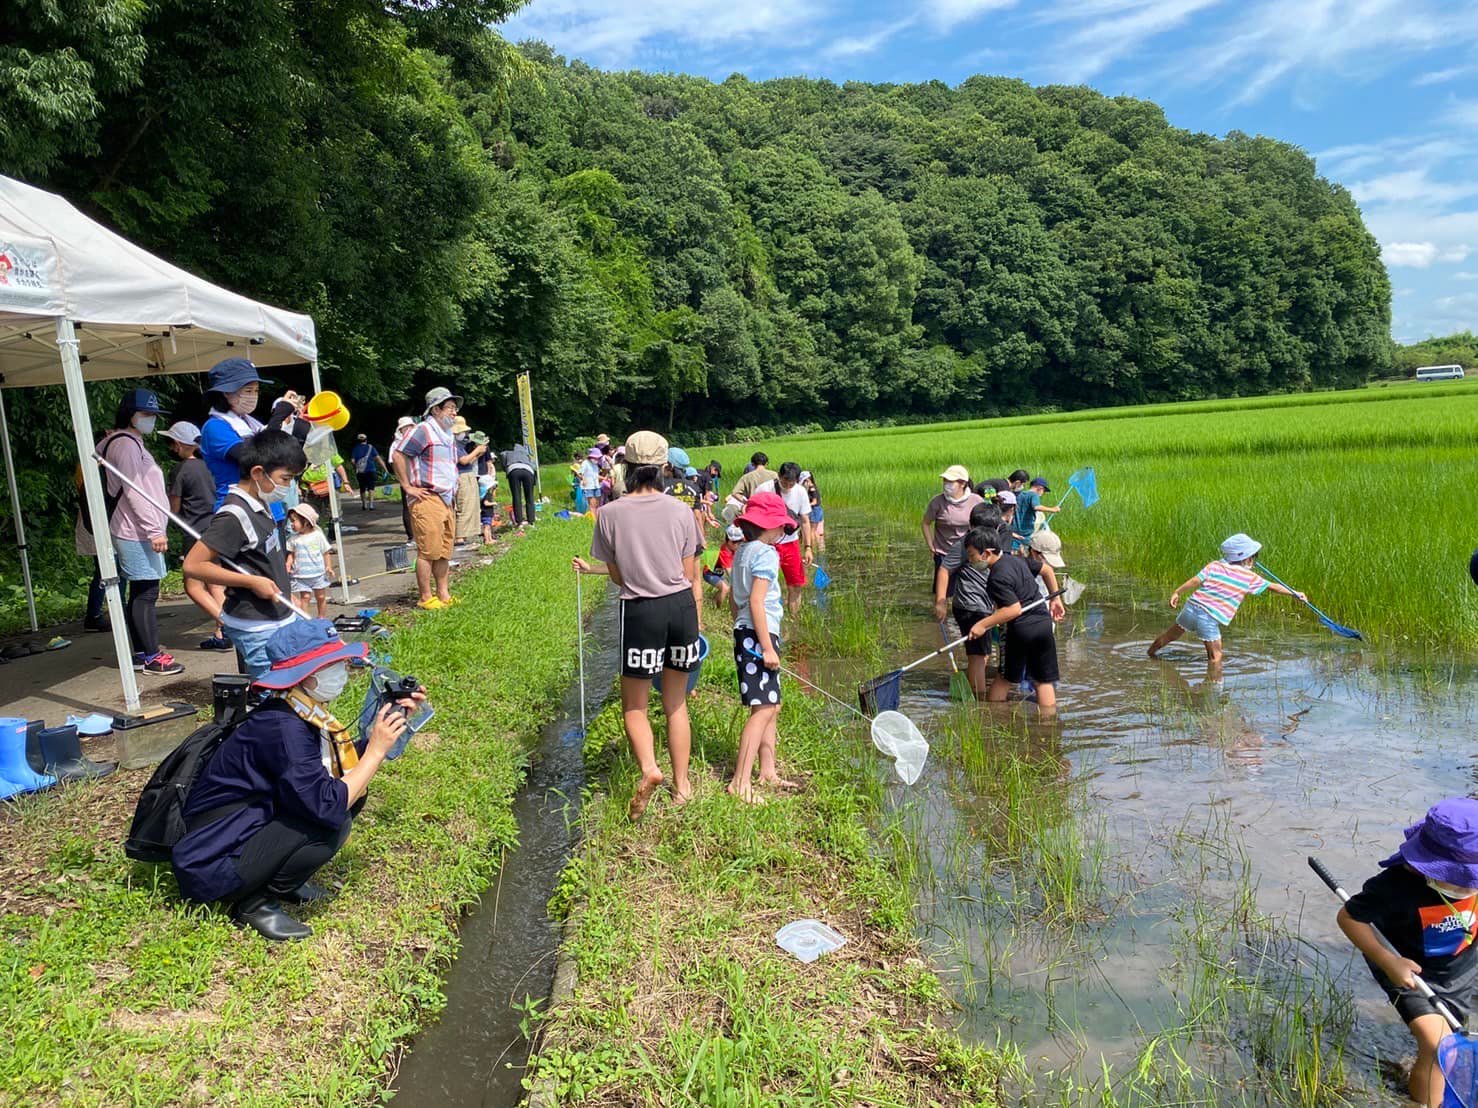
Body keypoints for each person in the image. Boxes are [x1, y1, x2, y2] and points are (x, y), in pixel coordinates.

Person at [171, 619, 423, 941]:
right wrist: (375, 751)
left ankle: (282, 881)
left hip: (236, 832)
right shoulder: (284, 728)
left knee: (348, 796)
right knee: (332, 821)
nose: (344, 670)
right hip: (210, 862)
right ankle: (253, 902)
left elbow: (338, 768)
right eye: (333, 665)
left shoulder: (297, 710)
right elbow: (328, 804)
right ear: (308, 676)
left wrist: (386, 728)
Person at [572, 431, 703, 822]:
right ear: (664, 467)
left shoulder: (610, 514)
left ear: (625, 466)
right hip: (681, 608)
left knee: (635, 705)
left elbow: (617, 576)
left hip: (640, 611)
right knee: (676, 703)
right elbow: (688, 572)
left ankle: (649, 768)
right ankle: (683, 787)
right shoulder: (681, 511)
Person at [1337, 798, 1478, 1107]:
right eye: (1461, 881)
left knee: (1455, 1036)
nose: (1469, 889)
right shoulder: (1396, 885)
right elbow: (1349, 918)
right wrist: (1388, 961)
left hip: (1461, 968)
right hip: (1407, 968)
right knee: (1438, 1045)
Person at [183, 431, 306, 677]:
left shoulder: (262, 502)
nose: (288, 486)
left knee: (296, 681)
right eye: (285, 478)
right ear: (258, 473)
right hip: (257, 625)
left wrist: (286, 591)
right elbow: (193, 565)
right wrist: (252, 582)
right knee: (273, 688)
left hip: (279, 614)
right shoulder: (234, 515)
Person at [101, 389, 183, 676]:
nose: (151, 419)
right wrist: (154, 530)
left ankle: (142, 652)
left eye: (153, 415)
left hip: (137, 528)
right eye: (145, 414)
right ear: (130, 414)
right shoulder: (125, 444)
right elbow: (134, 490)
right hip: (134, 529)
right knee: (146, 592)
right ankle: (151, 655)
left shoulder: (126, 442)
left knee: (141, 591)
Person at [727, 492, 798, 803]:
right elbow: (757, 601)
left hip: (749, 632)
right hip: (759, 635)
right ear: (770, 526)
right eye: (781, 525)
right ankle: (739, 783)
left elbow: (735, 599)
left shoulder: (742, 550)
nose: (783, 530)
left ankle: (767, 771)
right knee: (763, 708)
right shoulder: (767, 553)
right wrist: (767, 648)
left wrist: (740, 627)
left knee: (772, 704)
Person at [1147, 533, 1305, 669]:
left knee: (1170, 636)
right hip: (1209, 617)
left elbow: (1196, 580)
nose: (1255, 560)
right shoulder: (1249, 577)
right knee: (1215, 657)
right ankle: (1214, 688)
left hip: (1191, 607)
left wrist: (1177, 592)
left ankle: (1149, 654)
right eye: (1254, 556)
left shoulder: (1215, 566)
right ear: (1247, 559)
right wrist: (1294, 593)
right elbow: (1273, 587)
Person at [965, 533, 1065, 715]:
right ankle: (1048, 724)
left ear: (986, 553)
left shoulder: (996, 577)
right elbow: (1047, 570)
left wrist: (982, 625)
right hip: (1043, 624)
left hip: (1020, 630)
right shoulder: (1017, 560)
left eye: (972, 555)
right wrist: (1055, 599)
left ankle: (992, 716)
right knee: (1043, 680)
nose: (970, 560)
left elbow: (1013, 609)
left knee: (1005, 678)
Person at [199, 358, 306, 508]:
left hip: (267, 505)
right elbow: (255, 457)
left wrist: (289, 423)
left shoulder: (250, 424)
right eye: (248, 391)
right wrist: (277, 417)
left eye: (256, 391)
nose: (253, 395)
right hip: (238, 505)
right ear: (226, 393)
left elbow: (282, 454)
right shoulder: (215, 427)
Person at [163, 421, 232, 653]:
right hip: (216, 527)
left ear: (179, 444)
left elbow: (174, 507)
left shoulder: (181, 470)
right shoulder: (208, 466)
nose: (171, 448)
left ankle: (227, 624)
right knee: (216, 582)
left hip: (194, 531)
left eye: (171, 442)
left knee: (192, 584)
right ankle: (221, 632)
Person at [392, 387, 462, 611]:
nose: (454, 412)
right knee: (428, 550)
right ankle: (425, 596)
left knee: (444, 550)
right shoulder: (423, 430)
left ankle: (443, 593)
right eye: (450, 408)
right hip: (428, 496)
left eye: (455, 408)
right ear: (435, 409)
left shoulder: (448, 434)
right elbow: (398, 454)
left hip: (447, 498)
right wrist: (407, 487)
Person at [755, 462, 815, 615]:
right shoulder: (764, 489)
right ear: (779, 475)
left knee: (796, 584)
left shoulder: (800, 492)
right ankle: (767, 618)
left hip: (791, 543)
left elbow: (805, 521)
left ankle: (793, 619)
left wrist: (808, 548)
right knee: (765, 584)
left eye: (792, 482)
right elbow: (753, 515)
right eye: (785, 481)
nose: (788, 485)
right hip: (768, 544)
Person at [922, 465, 984, 585]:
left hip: (969, 553)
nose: (946, 484)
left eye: (950, 481)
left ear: (963, 483)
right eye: (945, 480)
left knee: (968, 588)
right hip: (944, 553)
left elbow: (984, 525)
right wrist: (930, 545)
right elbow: (925, 523)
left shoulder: (976, 501)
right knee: (943, 590)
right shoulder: (937, 501)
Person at [286, 504, 334, 618]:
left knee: (321, 597)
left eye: (294, 521)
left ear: (306, 521)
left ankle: (321, 617)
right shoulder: (293, 538)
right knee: (305, 597)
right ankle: (305, 619)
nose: (291, 525)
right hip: (301, 574)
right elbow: (291, 554)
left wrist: (328, 566)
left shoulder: (318, 535)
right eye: (291, 522)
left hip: (318, 573)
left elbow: (325, 552)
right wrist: (288, 563)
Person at [451, 416, 487, 546]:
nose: (465, 434)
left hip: (467, 474)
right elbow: (463, 461)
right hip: (461, 477)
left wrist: (479, 454)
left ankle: (464, 534)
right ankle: (459, 536)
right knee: (464, 506)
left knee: (471, 506)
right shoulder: (453, 444)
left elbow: (469, 462)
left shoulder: (460, 445)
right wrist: (477, 450)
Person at [387, 416, 416, 542]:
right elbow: (393, 463)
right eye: (406, 427)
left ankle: (421, 534)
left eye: (411, 426)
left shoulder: (416, 441)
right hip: (406, 480)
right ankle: (411, 536)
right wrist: (402, 481)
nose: (409, 429)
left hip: (418, 479)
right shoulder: (396, 444)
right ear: (400, 430)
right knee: (408, 508)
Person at [1012, 476, 1058, 550]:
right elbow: (1036, 507)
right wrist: (1053, 509)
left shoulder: (1020, 494)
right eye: (1044, 491)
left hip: (1014, 529)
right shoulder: (1034, 495)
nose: (1043, 493)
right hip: (1026, 531)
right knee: (1027, 551)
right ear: (1040, 488)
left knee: (1014, 549)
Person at [500, 441, 538, 530]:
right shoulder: (526, 455)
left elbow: (502, 455)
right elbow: (534, 467)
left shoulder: (507, 453)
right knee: (529, 497)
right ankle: (531, 522)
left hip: (513, 471)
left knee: (516, 496)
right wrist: (534, 482)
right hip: (528, 471)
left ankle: (519, 522)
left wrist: (505, 468)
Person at [704, 524, 742, 609]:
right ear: (730, 542)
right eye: (738, 544)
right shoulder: (724, 553)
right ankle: (718, 608)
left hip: (718, 572)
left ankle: (714, 601)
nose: (740, 546)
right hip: (709, 573)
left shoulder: (732, 548)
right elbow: (730, 573)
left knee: (726, 588)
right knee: (725, 588)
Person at [724, 452, 772, 518]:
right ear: (766, 463)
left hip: (753, 508)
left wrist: (747, 502)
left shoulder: (746, 477)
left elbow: (735, 493)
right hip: (770, 508)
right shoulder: (774, 475)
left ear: (752, 464)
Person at [349, 434, 386, 510]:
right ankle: (371, 505)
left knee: (362, 488)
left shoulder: (355, 449)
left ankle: (364, 505)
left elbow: (352, 460)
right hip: (371, 470)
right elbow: (378, 459)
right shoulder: (371, 447)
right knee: (371, 487)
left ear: (358, 441)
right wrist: (385, 469)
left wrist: (357, 466)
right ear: (366, 439)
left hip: (360, 471)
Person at [801, 470, 825, 554]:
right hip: (818, 510)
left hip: (814, 510)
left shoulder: (811, 488)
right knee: (814, 531)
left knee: (812, 531)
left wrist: (805, 505)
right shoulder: (813, 486)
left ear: (807, 479)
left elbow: (814, 502)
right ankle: (817, 548)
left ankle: (813, 548)